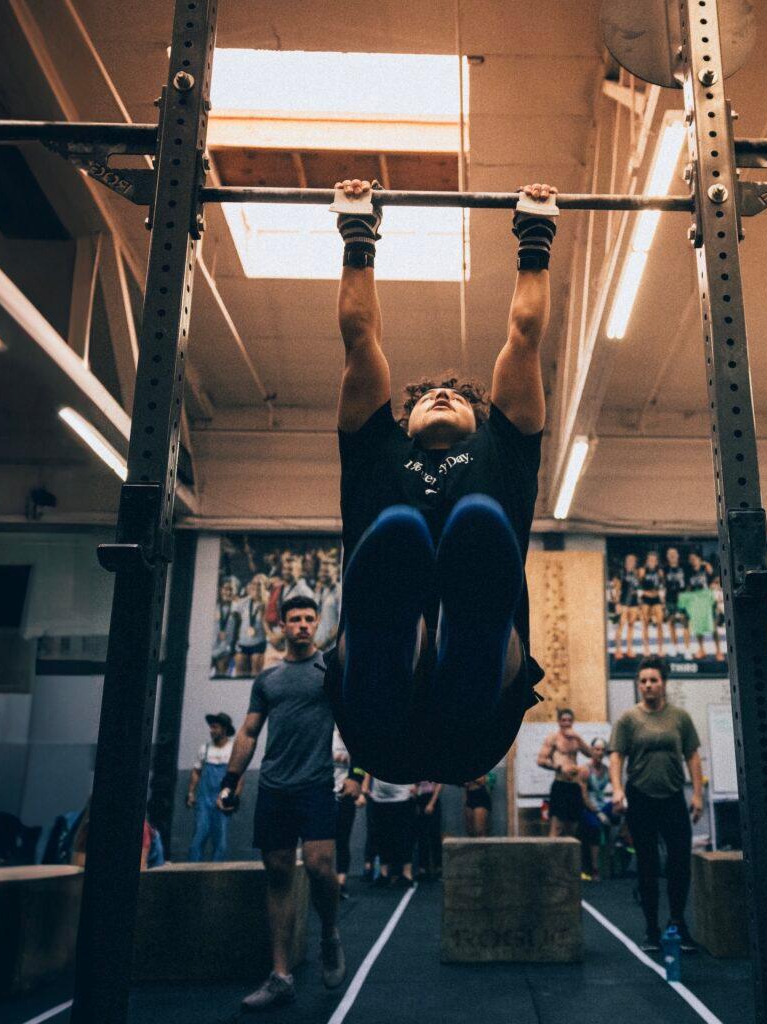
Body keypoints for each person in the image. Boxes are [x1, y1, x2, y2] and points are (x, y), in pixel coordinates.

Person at [326, 178, 556, 784]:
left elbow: (524, 339)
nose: (441, 393)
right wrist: (358, 236)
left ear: (483, 418)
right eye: (428, 396)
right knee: (405, 536)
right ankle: (392, 649)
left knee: (472, 529)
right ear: (404, 418)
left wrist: (535, 235)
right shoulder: (374, 450)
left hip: (476, 721)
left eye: (455, 395)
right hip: (375, 719)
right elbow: (359, 339)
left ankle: (464, 641)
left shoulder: (505, 453)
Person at [216, 596, 346, 1010]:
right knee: (277, 873)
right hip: (274, 786)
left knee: (321, 866)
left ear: (317, 625)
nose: (304, 625)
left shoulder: (332, 670)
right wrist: (230, 782)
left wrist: (360, 775)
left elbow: (357, 721)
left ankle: (329, 934)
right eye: (296, 619)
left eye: (310, 619)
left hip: (316, 784)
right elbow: (249, 733)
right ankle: (280, 975)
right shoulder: (268, 680)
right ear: (283, 627)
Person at [610, 656, 703, 954]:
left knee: (679, 864)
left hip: (674, 797)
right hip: (640, 798)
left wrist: (698, 794)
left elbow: (692, 756)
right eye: (643, 681)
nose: (648, 685)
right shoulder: (628, 719)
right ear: (639, 685)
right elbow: (616, 757)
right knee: (647, 866)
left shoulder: (680, 718)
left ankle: (677, 924)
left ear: (663, 683)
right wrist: (617, 790)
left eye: (653, 680)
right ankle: (651, 929)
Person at [187, 712, 240, 862]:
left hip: (222, 799)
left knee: (220, 842)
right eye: (211, 727)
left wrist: (234, 797)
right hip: (204, 801)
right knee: (198, 839)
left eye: (215, 727)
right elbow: (196, 772)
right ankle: (191, 876)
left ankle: (216, 878)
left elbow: (239, 777)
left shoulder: (233, 749)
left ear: (224, 729)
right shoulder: (204, 748)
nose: (211, 730)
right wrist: (191, 793)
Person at [537, 708, 592, 837]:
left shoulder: (576, 739)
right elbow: (541, 760)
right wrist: (559, 767)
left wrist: (578, 737)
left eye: (569, 720)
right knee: (557, 828)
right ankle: (552, 857)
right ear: (559, 722)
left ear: (573, 721)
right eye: (563, 720)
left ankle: (569, 858)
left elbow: (590, 754)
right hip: (560, 785)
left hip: (575, 786)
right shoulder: (553, 738)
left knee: (573, 829)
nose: (566, 723)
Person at [362, 774, 416, 887]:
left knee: (404, 836)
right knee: (382, 836)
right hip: (379, 797)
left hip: (402, 797)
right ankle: (384, 874)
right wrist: (365, 785)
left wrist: (415, 784)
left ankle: (407, 874)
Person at [332, 727, 365, 898]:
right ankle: (326, 880)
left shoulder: (353, 740)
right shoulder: (327, 737)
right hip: (324, 795)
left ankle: (341, 882)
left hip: (344, 796)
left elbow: (361, 765)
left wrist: (357, 787)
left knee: (342, 840)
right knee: (324, 840)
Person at [579, 738, 612, 881]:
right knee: (595, 827)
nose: (599, 752)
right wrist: (598, 813)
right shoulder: (585, 770)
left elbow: (617, 787)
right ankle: (594, 868)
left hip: (602, 805)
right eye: (597, 749)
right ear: (592, 750)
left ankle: (623, 840)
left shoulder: (607, 770)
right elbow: (584, 796)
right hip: (589, 808)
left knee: (625, 808)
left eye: (602, 750)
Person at [679, 552, 719, 661]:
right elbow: (687, 587)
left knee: (714, 627)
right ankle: (701, 649)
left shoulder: (706, 568)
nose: (692, 561)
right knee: (697, 626)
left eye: (694, 558)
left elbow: (716, 580)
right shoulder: (689, 572)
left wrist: (714, 592)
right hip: (696, 602)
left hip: (707, 600)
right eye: (690, 559)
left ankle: (718, 651)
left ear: (699, 559)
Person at [234, 576, 269, 677]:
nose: (256, 587)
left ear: (265, 587)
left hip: (259, 643)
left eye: (259, 584)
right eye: (254, 584)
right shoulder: (243, 602)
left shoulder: (268, 601)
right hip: (243, 643)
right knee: (240, 674)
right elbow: (236, 619)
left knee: (255, 675)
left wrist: (265, 600)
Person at [414, 780, 444, 879]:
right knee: (421, 836)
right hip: (420, 799)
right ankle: (423, 868)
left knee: (434, 834)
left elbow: (439, 784)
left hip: (432, 798)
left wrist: (431, 803)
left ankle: (438, 867)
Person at [638, 552, 665, 656]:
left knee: (659, 623)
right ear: (647, 560)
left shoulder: (659, 571)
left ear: (656, 561)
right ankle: (646, 648)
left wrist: (661, 596)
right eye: (650, 560)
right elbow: (638, 585)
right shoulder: (642, 570)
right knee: (645, 624)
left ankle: (660, 649)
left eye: (654, 560)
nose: (652, 561)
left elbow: (662, 584)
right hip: (646, 598)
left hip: (656, 598)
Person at [616, 553, 642, 660]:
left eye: (633, 560)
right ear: (626, 561)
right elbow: (617, 589)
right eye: (629, 560)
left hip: (634, 603)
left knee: (631, 626)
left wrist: (640, 604)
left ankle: (629, 649)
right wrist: (617, 603)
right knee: (621, 626)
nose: (631, 562)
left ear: (635, 562)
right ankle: (618, 650)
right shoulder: (621, 573)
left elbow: (639, 588)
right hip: (624, 603)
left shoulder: (637, 574)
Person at [212, 578, 240, 676]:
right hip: (210, 647)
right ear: (220, 590)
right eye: (225, 589)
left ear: (235, 591)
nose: (228, 592)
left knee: (220, 677)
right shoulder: (212, 606)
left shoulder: (237, 609)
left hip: (226, 649)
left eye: (231, 589)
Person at [663, 548, 687, 658]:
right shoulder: (664, 569)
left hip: (682, 598)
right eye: (670, 554)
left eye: (674, 554)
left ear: (678, 555)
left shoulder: (684, 567)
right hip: (670, 598)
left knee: (685, 623)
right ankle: (674, 646)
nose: (672, 556)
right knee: (671, 622)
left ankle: (687, 648)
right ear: (667, 556)